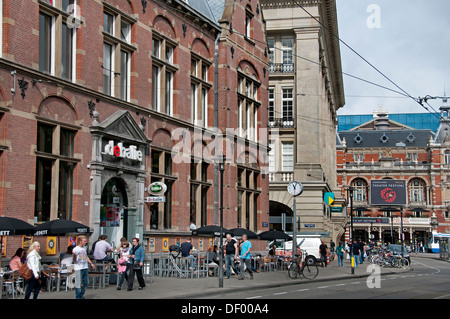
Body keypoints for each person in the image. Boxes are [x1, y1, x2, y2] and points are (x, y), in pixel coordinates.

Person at [72, 235, 95, 299]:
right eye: (84, 241)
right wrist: (74, 256)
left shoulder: (84, 248)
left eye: (86, 241)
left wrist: (91, 263)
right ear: (80, 241)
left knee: (86, 282)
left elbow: (86, 256)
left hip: (85, 267)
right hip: (78, 268)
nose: (85, 242)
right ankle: (78, 297)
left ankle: (81, 295)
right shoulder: (75, 249)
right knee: (78, 284)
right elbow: (74, 260)